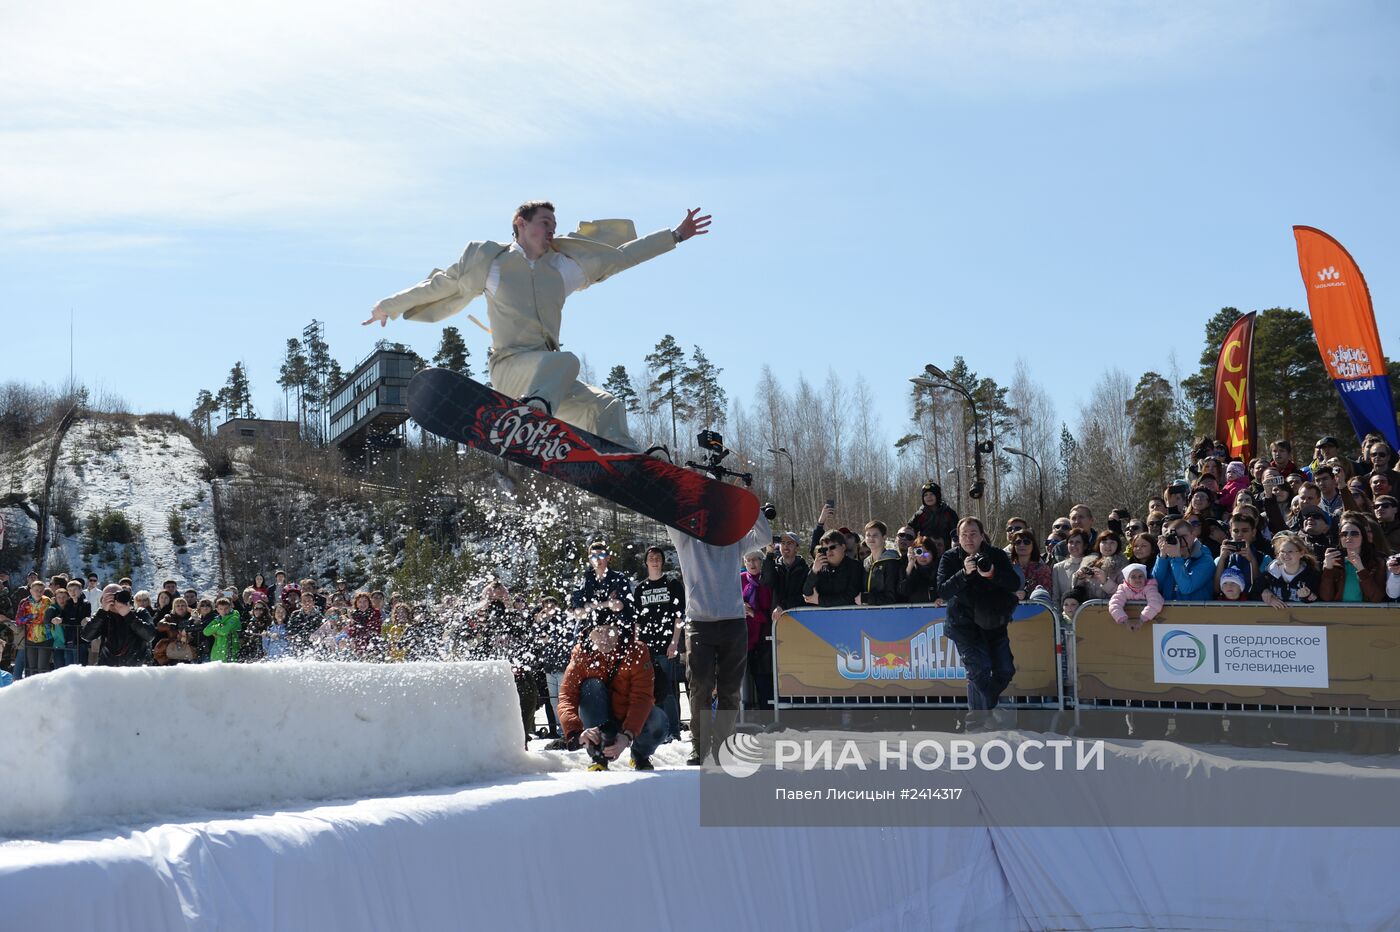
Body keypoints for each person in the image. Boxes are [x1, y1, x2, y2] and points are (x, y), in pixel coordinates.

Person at [366, 201, 711, 449]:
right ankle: (531, 415)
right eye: (545, 222)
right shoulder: (492, 263)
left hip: (547, 382)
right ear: (520, 222)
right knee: (565, 361)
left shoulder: (561, 269)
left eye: (553, 225)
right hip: (511, 370)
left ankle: (627, 461)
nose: (551, 230)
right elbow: (440, 285)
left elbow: (621, 257)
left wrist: (675, 236)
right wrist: (387, 306)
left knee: (605, 406)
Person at [665, 446, 771, 766]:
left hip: (732, 622)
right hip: (699, 620)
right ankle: (699, 747)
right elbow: (671, 510)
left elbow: (764, 535)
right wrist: (698, 486)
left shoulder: (734, 536)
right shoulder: (686, 537)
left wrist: (747, 500)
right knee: (699, 688)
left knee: (729, 691)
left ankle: (724, 748)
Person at [935, 517, 1020, 729]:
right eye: (963, 534)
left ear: (982, 535)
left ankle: (987, 706)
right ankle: (977, 722)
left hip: (993, 622)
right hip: (963, 626)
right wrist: (963, 573)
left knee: (1005, 670)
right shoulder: (950, 557)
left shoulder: (997, 555)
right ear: (957, 537)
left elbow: (1014, 583)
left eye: (973, 533)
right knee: (978, 670)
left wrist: (992, 573)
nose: (968, 538)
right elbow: (942, 591)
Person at [556, 617, 669, 771]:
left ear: (619, 631)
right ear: (589, 633)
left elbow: (642, 698)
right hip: (600, 717)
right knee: (591, 686)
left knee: (659, 720)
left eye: (610, 631)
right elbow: (567, 697)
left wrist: (628, 735)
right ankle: (599, 756)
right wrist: (576, 733)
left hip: (629, 715)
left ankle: (640, 756)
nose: (604, 638)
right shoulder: (581, 653)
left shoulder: (637, 650)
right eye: (598, 631)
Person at [632, 547, 686, 742]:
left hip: (667, 647)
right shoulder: (640, 589)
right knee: (650, 691)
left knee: (670, 691)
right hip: (647, 649)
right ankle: (657, 732)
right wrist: (637, 644)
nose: (654, 561)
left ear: (662, 562)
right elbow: (636, 621)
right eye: (651, 558)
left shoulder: (672, 584)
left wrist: (674, 643)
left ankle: (674, 731)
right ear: (646, 562)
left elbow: (679, 617)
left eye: (658, 558)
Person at [1319, 512, 1388, 602]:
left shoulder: (1377, 562)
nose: (1348, 537)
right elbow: (1326, 597)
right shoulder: (1334, 561)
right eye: (1344, 534)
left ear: (1363, 537)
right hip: (1337, 613)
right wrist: (1328, 568)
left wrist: (1361, 569)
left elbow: (1376, 597)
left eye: (1354, 533)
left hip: (1367, 614)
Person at [81, 588, 156, 666]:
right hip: (108, 667)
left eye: (116, 596)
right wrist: (102, 612)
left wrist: (128, 615)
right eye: (108, 597)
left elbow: (150, 636)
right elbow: (86, 636)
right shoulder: (102, 617)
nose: (113, 600)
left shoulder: (139, 613)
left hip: (135, 668)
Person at [741, 550, 775, 714]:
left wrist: (754, 613)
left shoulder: (767, 581)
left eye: (756, 559)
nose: (752, 563)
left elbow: (772, 611)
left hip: (764, 637)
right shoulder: (740, 580)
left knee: (764, 681)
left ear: (762, 562)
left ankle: (767, 715)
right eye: (748, 560)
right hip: (743, 637)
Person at [1152, 516, 1215, 601]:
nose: (1179, 541)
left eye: (1183, 536)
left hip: (1196, 612)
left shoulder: (1205, 560)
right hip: (1168, 612)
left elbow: (1186, 588)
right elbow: (1154, 586)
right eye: (1175, 537)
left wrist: (1177, 558)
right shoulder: (1168, 558)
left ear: (1193, 535)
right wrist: (1162, 557)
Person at [801, 529, 862, 607]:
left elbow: (851, 597)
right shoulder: (818, 565)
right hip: (822, 616)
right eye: (825, 549)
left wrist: (819, 600)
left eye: (832, 547)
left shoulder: (855, 567)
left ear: (843, 547)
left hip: (848, 615)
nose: (829, 552)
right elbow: (807, 594)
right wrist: (814, 571)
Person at [761, 531, 810, 616]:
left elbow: (807, 596)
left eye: (790, 543)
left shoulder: (805, 570)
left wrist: (784, 606)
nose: (786, 546)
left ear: (797, 547)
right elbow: (767, 582)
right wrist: (769, 555)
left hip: (800, 619)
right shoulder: (774, 567)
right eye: (783, 543)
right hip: (778, 619)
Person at [15, 580, 54, 677]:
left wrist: (39, 619)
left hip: (46, 637)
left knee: (43, 667)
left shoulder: (47, 601)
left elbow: (50, 616)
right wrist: (30, 617)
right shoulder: (25, 602)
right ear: (31, 590)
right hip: (30, 637)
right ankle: (33, 689)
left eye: (41, 590)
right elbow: (18, 620)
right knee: (31, 667)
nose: (39, 593)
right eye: (36, 590)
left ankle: (43, 689)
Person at [859, 520, 903, 605]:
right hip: (868, 613)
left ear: (884, 537)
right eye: (868, 535)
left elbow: (891, 597)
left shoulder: (892, 562)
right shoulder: (866, 562)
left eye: (875, 535)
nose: (871, 538)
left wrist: (866, 598)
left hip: (888, 613)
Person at [1107, 564, 1163, 630]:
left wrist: (1142, 619)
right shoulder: (1123, 589)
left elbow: (1155, 603)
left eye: (1140, 576)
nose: (1137, 579)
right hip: (1127, 626)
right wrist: (1125, 620)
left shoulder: (1150, 588)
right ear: (1128, 580)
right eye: (1133, 577)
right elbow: (1114, 604)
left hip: (1149, 625)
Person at [908, 482, 958, 556]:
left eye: (931, 494)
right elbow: (909, 532)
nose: (929, 497)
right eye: (925, 495)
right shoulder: (920, 514)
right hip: (926, 553)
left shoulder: (948, 512)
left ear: (937, 496)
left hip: (946, 551)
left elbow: (956, 531)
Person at [898, 535, 939, 603]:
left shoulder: (939, 570)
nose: (923, 557)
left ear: (933, 553)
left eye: (926, 553)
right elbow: (903, 591)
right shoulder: (908, 569)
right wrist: (910, 566)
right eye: (919, 552)